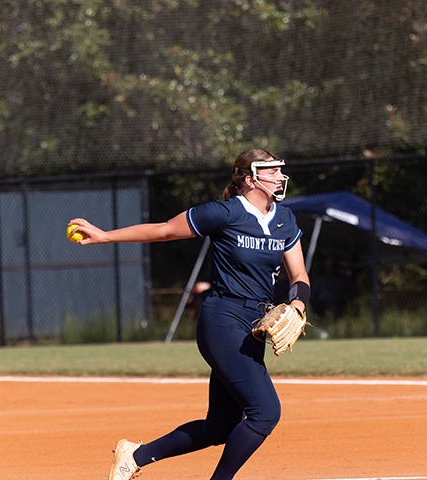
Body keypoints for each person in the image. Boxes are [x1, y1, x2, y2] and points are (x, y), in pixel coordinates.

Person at [68, 148, 311, 480]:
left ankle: (134, 456)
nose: (279, 176)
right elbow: (165, 230)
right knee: (265, 413)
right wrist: (105, 236)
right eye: (270, 171)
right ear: (250, 178)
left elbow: (299, 276)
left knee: (220, 427)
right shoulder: (224, 213)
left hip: (254, 328)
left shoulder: (285, 219)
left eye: (279, 170)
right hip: (222, 319)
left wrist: (297, 306)